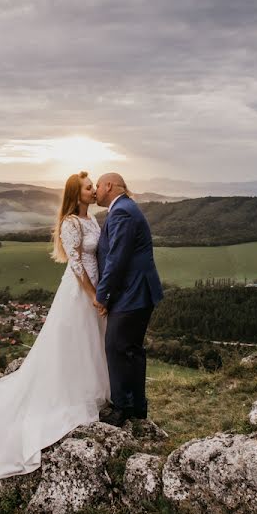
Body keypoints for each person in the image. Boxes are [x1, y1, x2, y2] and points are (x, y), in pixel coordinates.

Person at [0, 171, 110, 481]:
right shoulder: (70, 223)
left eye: (93, 186)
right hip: (79, 292)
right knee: (75, 341)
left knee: (91, 341)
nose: (93, 190)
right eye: (87, 187)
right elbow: (77, 264)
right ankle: (70, 393)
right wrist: (93, 295)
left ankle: (92, 389)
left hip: (95, 286)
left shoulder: (92, 219)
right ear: (75, 194)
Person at [93, 172, 164, 427]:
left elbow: (117, 258)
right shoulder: (124, 208)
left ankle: (122, 408)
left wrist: (103, 295)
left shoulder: (121, 211)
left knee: (116, 347)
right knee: (131, 350)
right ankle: (136, 407)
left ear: (109, 186)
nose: (96, 191)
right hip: (137, 292)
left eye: (98, 185)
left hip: (132, 293)